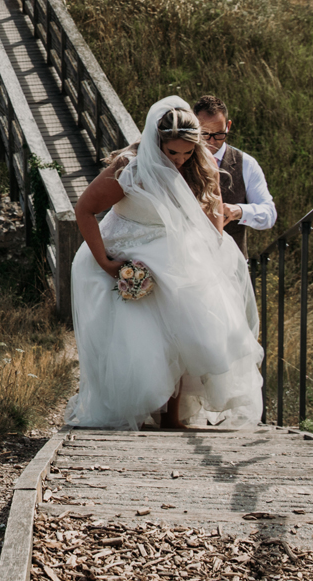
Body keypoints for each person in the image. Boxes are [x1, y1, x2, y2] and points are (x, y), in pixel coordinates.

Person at [63, 96, 264, 431]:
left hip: (175, 249)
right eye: (172, 153)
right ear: (157, 143)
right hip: (124, 251)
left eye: (187, 152)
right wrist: (106, 263)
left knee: (190, 315)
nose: (180, 160)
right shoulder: (130, 167)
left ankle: (173, 416)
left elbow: (214, 211)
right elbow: (84, 209)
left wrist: (214, 247)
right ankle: (139, 408)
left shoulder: (200, 165)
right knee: (140, 330)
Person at [192, 94, 277, 255]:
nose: (210, 141)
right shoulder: (181, 159)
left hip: (233, 265)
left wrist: (241, 211)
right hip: (191, 261)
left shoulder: (246, 164)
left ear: (228, 126)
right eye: (204, 134)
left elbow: (269, 215)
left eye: (218, 134)